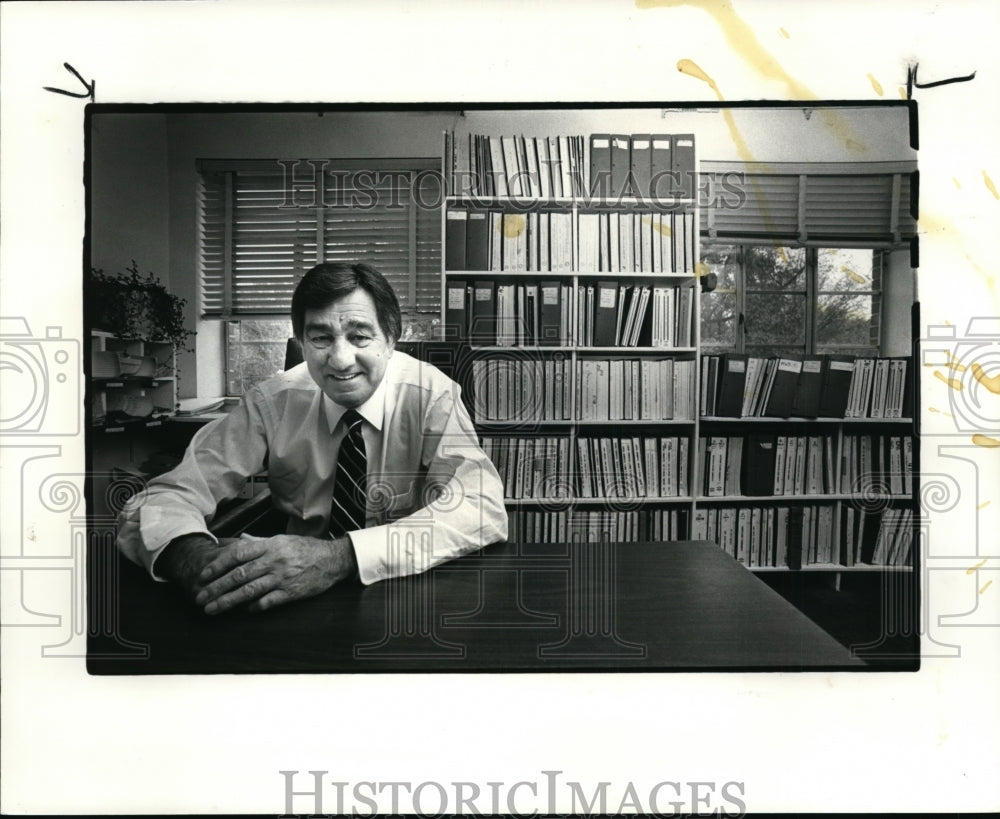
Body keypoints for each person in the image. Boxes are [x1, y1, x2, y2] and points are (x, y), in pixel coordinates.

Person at [117, 262, 507, 614]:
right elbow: (165, 496)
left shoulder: (431, 393)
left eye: (360, 337)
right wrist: (194, 556)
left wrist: (341, 557)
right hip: (293, 594)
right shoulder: (273, 401)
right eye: (320, 338)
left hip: (407, 588)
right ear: (301, 343)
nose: (339, 360)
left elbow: (481, 506)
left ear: (391, 340)